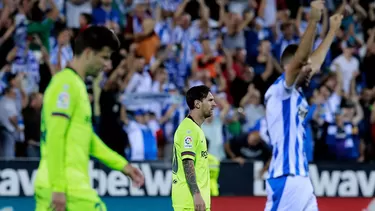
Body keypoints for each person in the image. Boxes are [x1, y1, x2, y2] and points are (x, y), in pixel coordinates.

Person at [34, 26, 145, 211]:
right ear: (87, 53)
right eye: (104, 57)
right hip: (67, 189)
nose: (108, 64)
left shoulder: (77, 86)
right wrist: (59, 188)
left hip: (64, 186)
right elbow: (55, 136)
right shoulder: (66, 85)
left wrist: (123, 166)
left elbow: (88, 139)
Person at [264, 1, 343, 210]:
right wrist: (314, 20)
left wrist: (333, 29)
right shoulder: (280, 90)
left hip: (302, 179)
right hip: (285, 178)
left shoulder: (297, 93)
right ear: (290, 67)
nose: (310, 71)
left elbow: (313, 63)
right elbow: (301, 60)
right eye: (304, 67)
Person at [172, 85, 216, 211]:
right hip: (189, 202)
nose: (215, 104)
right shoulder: (188, 130)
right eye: (210, 100)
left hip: (194, 202)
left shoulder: (195, 128)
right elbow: (187, 162)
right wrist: (196, 194)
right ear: (197, 104)